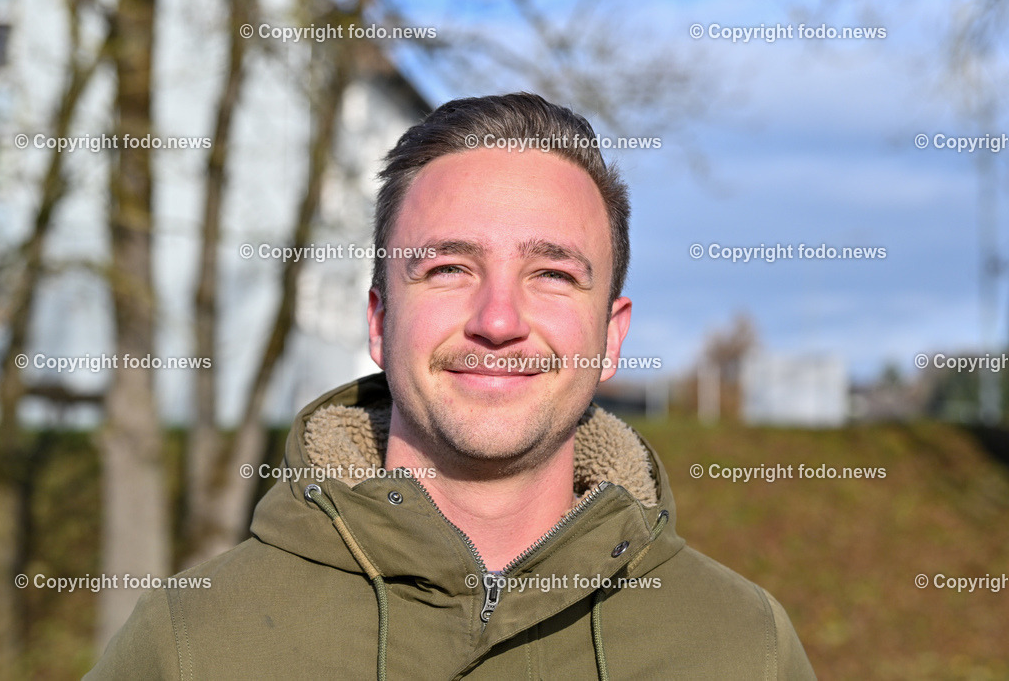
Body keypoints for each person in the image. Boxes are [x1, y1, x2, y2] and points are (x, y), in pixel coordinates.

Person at [88, 92, 816, 679]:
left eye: (552, 273)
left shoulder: (742, 648)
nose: (497, 321)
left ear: (611, 337)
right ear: (380, 321)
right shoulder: (192, 645)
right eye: (448, 268)